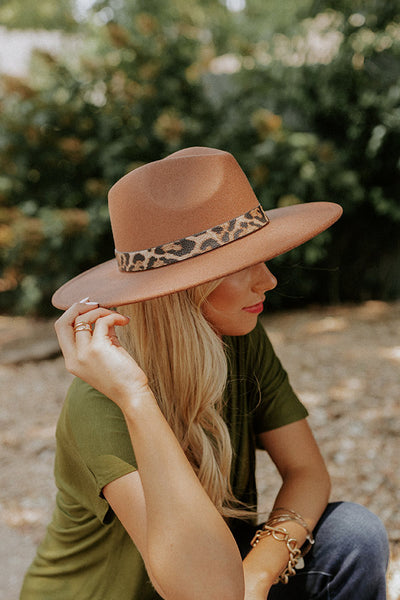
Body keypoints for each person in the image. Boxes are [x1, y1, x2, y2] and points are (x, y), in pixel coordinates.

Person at [21, 147, 389, 600]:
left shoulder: (239, 337)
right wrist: (136, 397)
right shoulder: (101, 401)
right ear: (181, 290)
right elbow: (206, 593)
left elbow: (307, 472)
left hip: (224, 580)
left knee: (353, 535)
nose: (269, 280)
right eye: (242, 264)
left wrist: (257, 574)